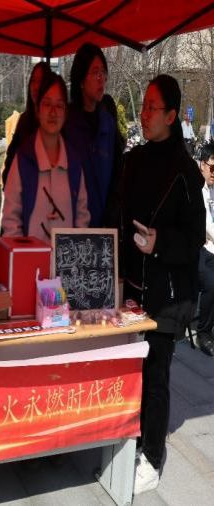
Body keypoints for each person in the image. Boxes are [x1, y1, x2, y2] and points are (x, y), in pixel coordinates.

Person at [120, 75, 205, 494]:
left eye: (152, 107)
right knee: (129, 369)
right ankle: (127, 440)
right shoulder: (133, 160)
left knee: (155, 373)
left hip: (167, 294)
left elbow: (194, 239)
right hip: (131, 287)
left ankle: (151, 458)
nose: (144, 113)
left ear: (172, 116)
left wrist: (159, 244)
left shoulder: (186, 172)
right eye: (144, 105)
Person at [1, 71, 90, 240]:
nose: (53, 112)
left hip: (66, 257)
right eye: (47, 104)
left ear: (66, 112)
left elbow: (82, 216)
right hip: (29, 257)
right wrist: (25, 253)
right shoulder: (23, 160)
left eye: (59, 105)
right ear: (37, 110)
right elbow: (11, 220)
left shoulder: (74, 162)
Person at [64, 42, 119, 227]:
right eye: (95, 72)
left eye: (103, 72)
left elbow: (116, 173)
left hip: (103, 227)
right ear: (80, 79)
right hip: (70, 226)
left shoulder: (108, 123)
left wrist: (112, 213)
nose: (101, 79)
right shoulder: (66, 124)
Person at [2, 61, 51, 187]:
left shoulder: (54, 121)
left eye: (41, 81)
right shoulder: (24, 119)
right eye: (33, 81)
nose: (36, 87)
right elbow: (11, 155)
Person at [196, 141, 214, 356]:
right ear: (202, 165)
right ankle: (204, 332)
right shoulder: (195, 189)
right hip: (199, 249)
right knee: (212, 283)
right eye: (212, 167)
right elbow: (207, 225)